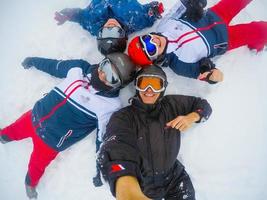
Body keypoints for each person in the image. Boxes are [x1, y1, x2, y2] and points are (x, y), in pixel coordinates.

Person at [0, 53, 136, 199]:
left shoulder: (109, 106)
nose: (102, 74)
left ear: (119, 84)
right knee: (13, 130)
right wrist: (34, 61)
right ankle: (3, 137)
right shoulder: (79, 69)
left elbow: (102, 139)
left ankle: (30, 183)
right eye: (105, 66)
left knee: (36, 166)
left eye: (112, 77)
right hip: (34, 116)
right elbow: (55, 67)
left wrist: (100, 168)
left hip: (50, 142)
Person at [97, 65, 212, 200]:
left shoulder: (171, 105)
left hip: (174, 179)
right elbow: (117, 149)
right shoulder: (123, 117)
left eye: (156, 85)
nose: (149, 90)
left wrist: (192, 117)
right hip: (143, 185)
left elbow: (203, 105)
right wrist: (127, 187)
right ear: (137, 86)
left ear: (163, 88)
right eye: (144, 84)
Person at [128, 0, 267, 84]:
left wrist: (195, 4)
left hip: (216, 14)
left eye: (146, 39)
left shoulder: (164, 25)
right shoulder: (179, 64)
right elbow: (208, 75)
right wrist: (210, 73)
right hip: (226, 38)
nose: (153, 41)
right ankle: (257, 46)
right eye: (151, 48)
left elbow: (181, 6)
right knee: (262, 30)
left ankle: (257, 43)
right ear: (155, 59)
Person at [54, 0, 164, 54]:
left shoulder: (93, 25)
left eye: (106, 33)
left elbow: (81, 17)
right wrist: (155, 10)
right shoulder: (135, 19)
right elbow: (148, 15)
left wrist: (69, 15)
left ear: (100, 34)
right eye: (116, 33)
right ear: (124, 35)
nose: (111, 26)